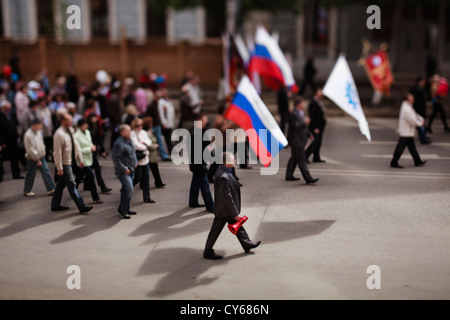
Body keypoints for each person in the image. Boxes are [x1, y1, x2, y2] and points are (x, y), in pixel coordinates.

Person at [203, 152, 261, 260]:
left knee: (238, 226)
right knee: (216, 230)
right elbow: (227, 197)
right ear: (226, 162)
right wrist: (235, 214)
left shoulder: (224, 171)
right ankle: (207, 251)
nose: (235, 160)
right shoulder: (224, 177)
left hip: (225, 208)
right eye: (232, 159)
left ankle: (247, 243)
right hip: (224, 209)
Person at [51, 111, 93, 213]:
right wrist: (59, 167)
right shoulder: (59, 134)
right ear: (63, 121)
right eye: (69, 120)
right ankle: (81, 206)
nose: (71, 121)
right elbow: (57, 152)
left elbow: (76, 145)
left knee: (61, 184)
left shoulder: (70, 130)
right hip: (65, 163)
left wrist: (80, 159)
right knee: (72, 185)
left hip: (71, 160)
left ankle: (55, 204)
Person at [286, 97, 319, 185]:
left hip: (300, 139)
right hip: (296, 141)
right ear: (299, 104)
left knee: (294, 158)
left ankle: (289, 175)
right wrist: (304, 123)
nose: (304, 105)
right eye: (302, 103)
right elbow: (295, 126)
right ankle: (308, 178)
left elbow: (303, 128)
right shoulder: (293, 114)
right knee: (302, 160)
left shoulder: (300, 113)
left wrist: (308, 133)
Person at [390, 94, 427, 169]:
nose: (413, 99)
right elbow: (412, 119)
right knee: (400, 148)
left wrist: (421, 119)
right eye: (411, 98)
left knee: (412, 148)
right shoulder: (406, 109)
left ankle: (417, 161)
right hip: (406, 132)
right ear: (407, 100)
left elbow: (414, 115)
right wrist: (420, 123)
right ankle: (394, 162)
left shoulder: (407, 107)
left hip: (408, 131)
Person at [23, 118, 55, 197]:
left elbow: (41, 143)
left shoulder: (38, 132)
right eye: (40, 124)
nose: (41, 126)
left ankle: (51, 188)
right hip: (33, 158)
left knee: (46, 172)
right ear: (34, 125)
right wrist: (37, 159)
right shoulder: (28, 135)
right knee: (31, 174)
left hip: (41, 156)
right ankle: (27, 190)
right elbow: (30, 149)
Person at [188, 114, 214, 212]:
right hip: (198, 163)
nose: (206, 122)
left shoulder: (197, 131)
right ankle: (211, 206)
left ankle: (193, 201)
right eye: (204, 120)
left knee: (196, 182)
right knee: (204, 185)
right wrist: (207, 148)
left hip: (196, 162)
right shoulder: (195, 133)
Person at [74, 119, 103, 204]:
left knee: (79, 176)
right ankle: (95, 197)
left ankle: (73, 189)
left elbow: (89, 142)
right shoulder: (76, 136)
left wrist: (92, 146)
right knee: (91, 176)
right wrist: (89, 148)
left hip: (89, 157)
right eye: (85, 125)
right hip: (82, 159)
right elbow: (78, 150)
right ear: (80, 126)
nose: (86, 126)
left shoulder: (87, 132)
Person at [112, 124, 138, 219]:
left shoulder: (129, 140)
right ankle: (122, 209)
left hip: (131, 169)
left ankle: (126, 208)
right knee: (129, 189)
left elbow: (133, 152)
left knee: (125, 190)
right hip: (124, 171)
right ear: (122, 132)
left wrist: (135, 162)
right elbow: (116, 158)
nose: (130, 132)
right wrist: (124, 168)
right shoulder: (119, 143)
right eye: (128, 131)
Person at [130, 118, 155, 204]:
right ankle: (126, 189)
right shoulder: (132, 133)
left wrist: (145, 143)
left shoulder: (143, 132)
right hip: (138, 159)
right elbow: (135, 145)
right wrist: (144, 146)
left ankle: (147, 197)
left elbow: (149, 141)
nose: (140, 127)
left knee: (146, 179)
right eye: (137, 125)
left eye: (141, 125)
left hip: (145, 158)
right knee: (137, 178)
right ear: (134, 125)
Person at [86, 113, 112, 194]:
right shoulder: (88, 129)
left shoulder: (96, 127)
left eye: (96, 118)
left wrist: (102, 151)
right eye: (93, 118)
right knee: (96, 168)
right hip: (89, 151)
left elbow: (99, 140)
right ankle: (102, 186)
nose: (95, 119)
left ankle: (85, 185)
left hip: (94, 150)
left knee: (86, 171)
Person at [0, 100, 24, 179]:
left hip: (13, 139)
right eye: (6, 109)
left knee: (15, 157)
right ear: (2, 109)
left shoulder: (12, 114)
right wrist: (1, 142)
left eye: (9, 109)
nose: (8, 111)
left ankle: (16, 174)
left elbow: (16, 125)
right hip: (5, 141)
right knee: (3, 157)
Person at [142, 116, 165, 188]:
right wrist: (155, 146)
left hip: (153, 154)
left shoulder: (150, 131)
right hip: (150, 154)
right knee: (152, 169)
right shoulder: (146, 133)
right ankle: (157, 182)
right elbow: (147, 144)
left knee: (153, 169)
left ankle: (158, 182)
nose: (152, 123)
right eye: (150, 122)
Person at [305, 88, 327, 163]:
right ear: (316, 93)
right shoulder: (313, 103)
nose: (321, 93)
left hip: (320, 125)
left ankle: (316, 157)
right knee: (315, 142)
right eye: (320, 92)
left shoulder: (318, 102)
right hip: (316, 126)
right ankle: (305, 156)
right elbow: (312, 116)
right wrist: (315, 127)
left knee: (319, 142)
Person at [409, 76, 431, 144]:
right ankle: (423, 138)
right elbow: (418, 100)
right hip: (418, 109)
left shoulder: (420, 88)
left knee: (420, 125)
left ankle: (423, 137)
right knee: (420, 124)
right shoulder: (416, 89)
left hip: (420, 109)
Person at [158, 87, 175, 155]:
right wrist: (163, 122)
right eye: (163, 92)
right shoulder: (160, 101)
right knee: (166, 138)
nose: (165, 93)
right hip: (165, 123)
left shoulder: (168, 100)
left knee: (168, 138)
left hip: (169, 122)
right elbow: (161, 113)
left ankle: (170, 150)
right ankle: (169, 151)